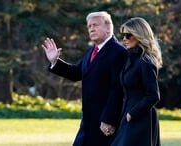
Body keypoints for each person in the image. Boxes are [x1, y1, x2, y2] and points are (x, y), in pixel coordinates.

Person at [42, 11, 127, 146]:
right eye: (89, 26)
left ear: (108, 27)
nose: (91, 28)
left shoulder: (119, 52)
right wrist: (55, 62)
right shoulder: (92, 50)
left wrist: (109, 119)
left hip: (105, 123)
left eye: (95, 25)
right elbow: (77, 73)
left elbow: (118, 89)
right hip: (88, 121)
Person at [111, 17, 162, 146]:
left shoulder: (145, 61)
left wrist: (132, 114)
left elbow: (153, 95)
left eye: (128, 35)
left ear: (139, 35)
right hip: (127, 115)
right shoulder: (129, 58)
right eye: (123, 35)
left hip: (141, 117)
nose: (124, 39)